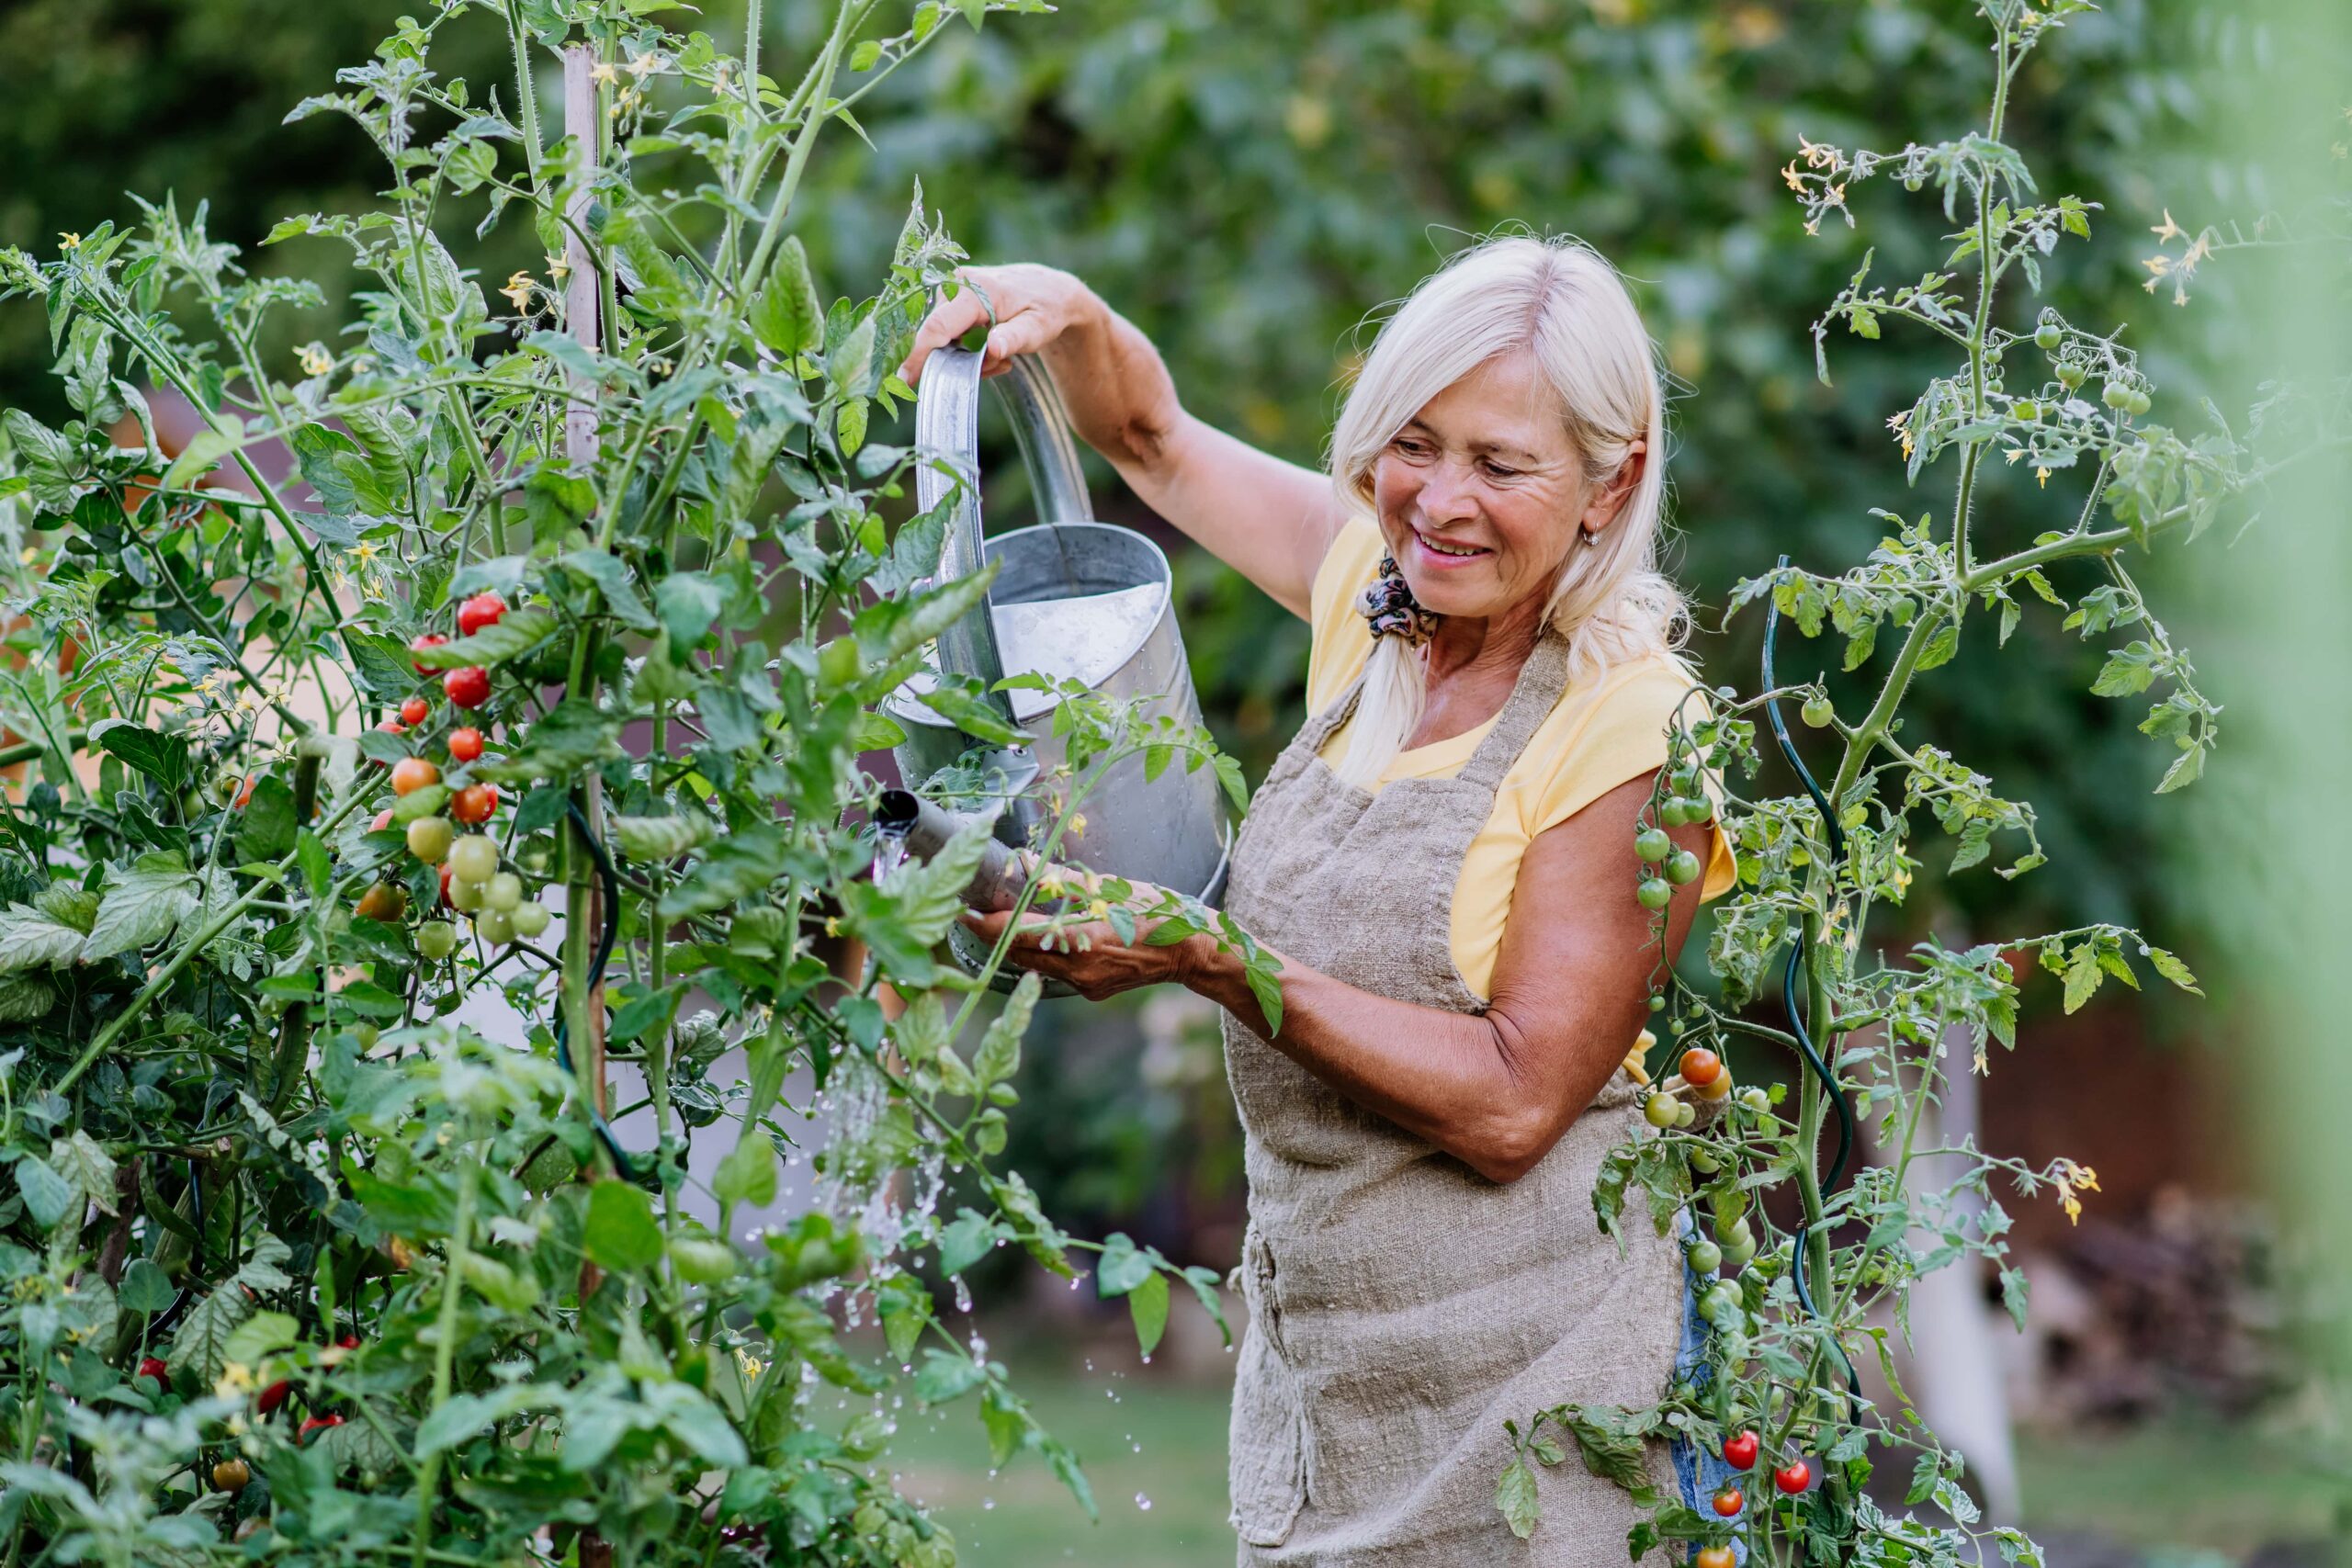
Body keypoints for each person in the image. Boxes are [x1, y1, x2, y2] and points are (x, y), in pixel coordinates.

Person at [899, 234, 1739, 1566]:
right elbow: (1155, 438)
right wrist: (1073, 314)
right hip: (1330, 1393)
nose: (1438, 502)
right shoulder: (1380, 603)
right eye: (1413, 442)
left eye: (1501, 464)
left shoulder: (1634, 722)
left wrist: (1213, 959)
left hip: (1548, 1403)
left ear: (1609, 479)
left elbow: (1518, 1099)